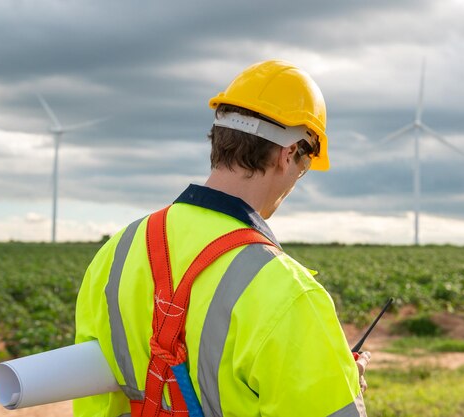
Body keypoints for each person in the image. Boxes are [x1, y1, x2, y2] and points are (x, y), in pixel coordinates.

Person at [74, 60, 371, 417]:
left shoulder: (115, 253)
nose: (298, 178)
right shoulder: (288, 292)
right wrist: (337, 382)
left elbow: (93, 395)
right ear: (288, 154)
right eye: (305, 166)